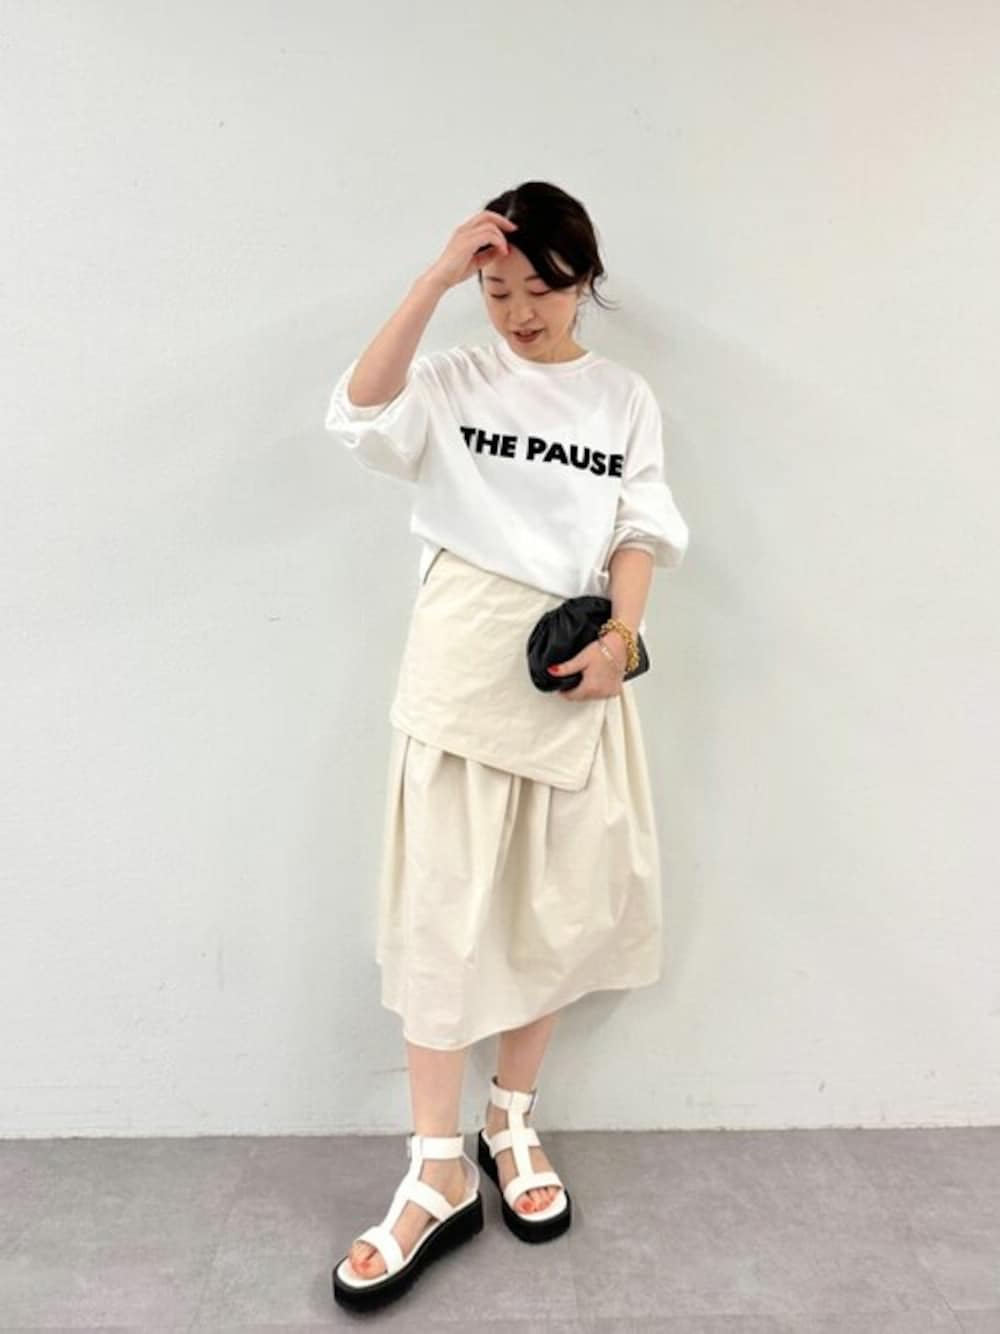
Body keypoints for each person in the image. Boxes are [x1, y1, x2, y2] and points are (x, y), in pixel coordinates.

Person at [325, 181, 689, 1311]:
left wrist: (621, 639)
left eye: (541, 288)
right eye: (496, 291)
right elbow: (358, 413)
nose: (519, 313)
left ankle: (508, 1121)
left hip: (569, 668)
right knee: (441, 914)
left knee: (553, 907)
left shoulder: (623, 397)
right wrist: (433, 280)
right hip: (458, 662)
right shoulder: (451, 377)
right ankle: (434, 1166)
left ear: (584, 281)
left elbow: (638, 524)